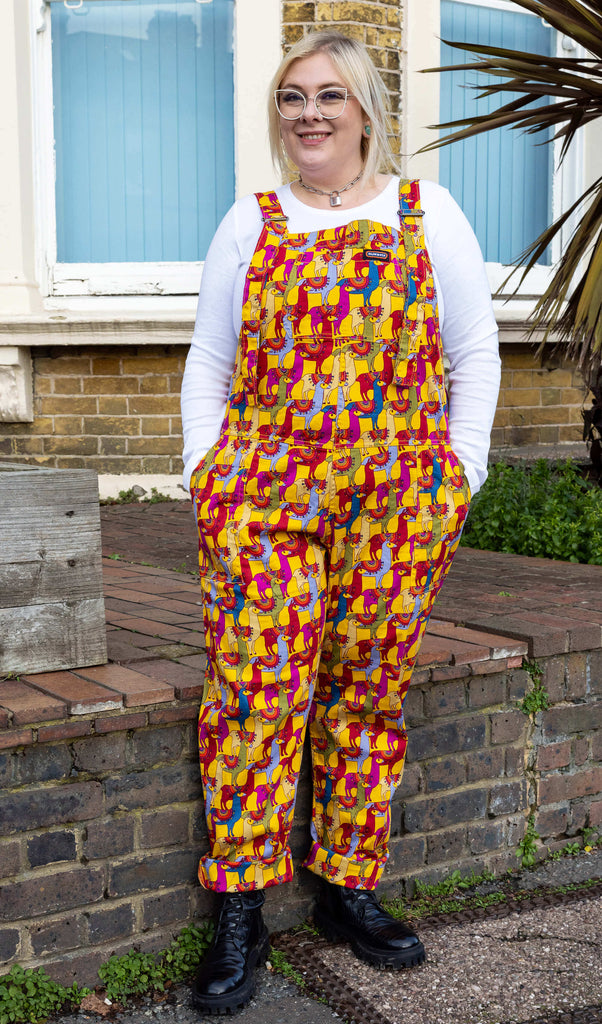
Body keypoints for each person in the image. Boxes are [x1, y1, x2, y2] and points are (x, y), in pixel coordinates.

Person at [181, 29, 500, 1016]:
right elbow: (210, 362)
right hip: (264, 504)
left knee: (366, 688)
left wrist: (460, 469)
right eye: (290, 97)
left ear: (365, 109)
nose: (307, 113)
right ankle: (240, 908)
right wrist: (206, 472)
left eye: (327, 95)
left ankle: (344, 886)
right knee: (253, 692)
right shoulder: (252, 221)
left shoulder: (424, 213)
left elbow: (472, 350)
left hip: (400, 503)